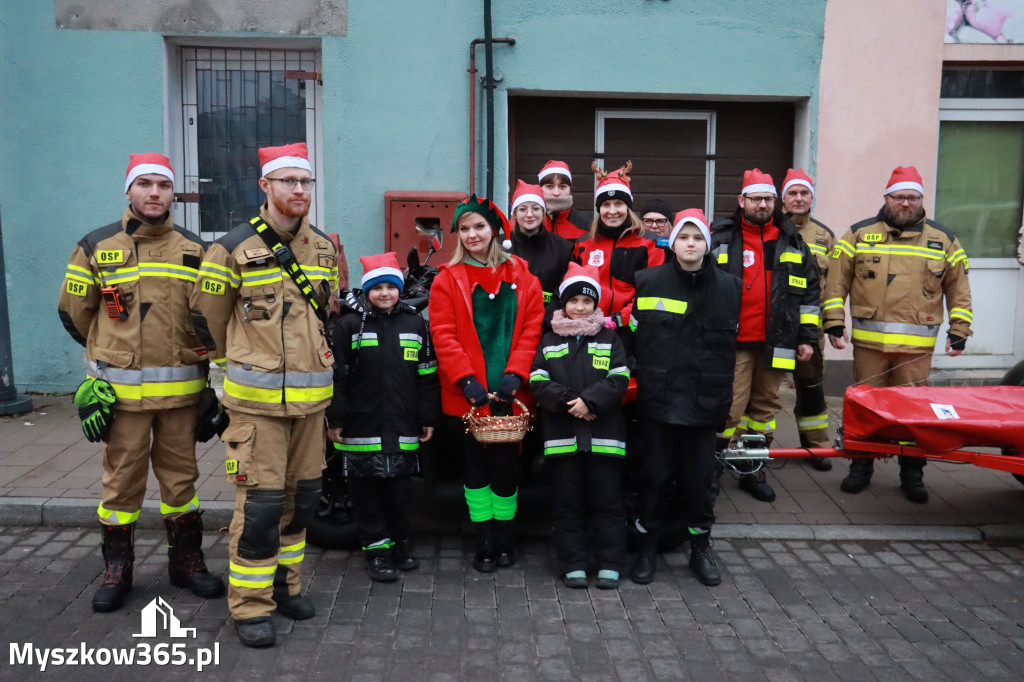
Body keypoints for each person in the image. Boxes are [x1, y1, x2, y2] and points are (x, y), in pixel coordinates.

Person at [58, 153, 224, 614]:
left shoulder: (196, 248)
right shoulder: (96, 246)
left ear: (173, 193)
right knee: (121, 488)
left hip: (181, 398)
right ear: (128, 191)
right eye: (145, 184)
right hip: (123, 399)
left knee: (182, 483)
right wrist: (107, 356)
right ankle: (118, 569)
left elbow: (211, 318)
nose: (155, 193)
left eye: (164, 186)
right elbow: (76, 314)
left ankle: (186, 563)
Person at [190, 142, 338, 648]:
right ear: (266, 187)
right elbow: (203, 325)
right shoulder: (230, 249)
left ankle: (285, 587)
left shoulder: (322, 249)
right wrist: (218, 382)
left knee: (302, 504)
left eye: (306, 182)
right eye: (288, 182)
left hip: (312, 407)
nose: (299, 191)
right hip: (257, 411)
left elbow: (324, 318)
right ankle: (250, 606)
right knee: (259, 508)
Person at [823, 165, 973, 503]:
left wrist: (959, 331)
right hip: (869, 347)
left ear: (921, 200)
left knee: (914, 415)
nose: (906, 203)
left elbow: (960, 291)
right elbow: (835, 284)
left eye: (913, 197)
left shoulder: (944, 240)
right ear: (887, 198)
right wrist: (833, 322)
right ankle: (861, 466)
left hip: (915, 351)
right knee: (864, 410)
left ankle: (912, 473)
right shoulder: (858, 234)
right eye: (899, 197)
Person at [427, 195, 544, 573]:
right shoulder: (447, 279)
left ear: (495, 229)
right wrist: (466, 380)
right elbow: (443, 334)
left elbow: (531, 330)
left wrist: (515, 375)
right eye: (464, 228)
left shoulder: (523, 276)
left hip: (511, 397)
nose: (472, 234)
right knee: (474, 469)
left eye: (479, 226)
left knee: (507, 469)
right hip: (469, 398)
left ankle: (504, 534)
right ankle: (483, 538)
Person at [629, 210, 741, 586]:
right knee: (654, 477)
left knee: (700, 481)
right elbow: (633, 338)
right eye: (683, 237)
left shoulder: (730, 287)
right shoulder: (647, 281)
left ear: (707, 244)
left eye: (697, 238)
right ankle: (647, 547)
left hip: (704, 400)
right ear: (671, 242)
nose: (690, 244)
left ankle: (700, 547)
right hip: (658, 401)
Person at [326, 253, 440, 582]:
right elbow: (338, 377)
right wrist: (336, 418)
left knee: (400, 494)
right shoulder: (350, 325)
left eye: (391, 287)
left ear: (400, 291)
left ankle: (399, 546)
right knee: (366, 495)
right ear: (367, 292)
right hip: (362, 427)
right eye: (378, 288)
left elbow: (427, 375)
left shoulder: (415, 323)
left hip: (403, 425)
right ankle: (377, 552)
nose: (385, 293)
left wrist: (427, 416)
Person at [710, 169, 820, 503]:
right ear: (741, 200)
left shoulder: (792, 241)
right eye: (756, 198)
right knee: (727, 406)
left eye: (768, 199)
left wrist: (807, 338)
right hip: (733, 340)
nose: (762, 204)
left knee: (765, 407)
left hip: (779, 341)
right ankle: (710, 469)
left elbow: (810, 295)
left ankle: (751, 468)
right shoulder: (720, 237)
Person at [529, 263, 630, 590]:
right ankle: (573, 563)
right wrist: (573, 403)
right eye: (573, 301)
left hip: (604, 440)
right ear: (563, 305)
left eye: (587, 302)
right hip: (563, 441)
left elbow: (620, 377)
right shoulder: (548, 340)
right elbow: (538, 380)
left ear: (596, 305)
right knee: (567, 504)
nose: (580, 307)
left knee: (608, 503)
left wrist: (592, 401)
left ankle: (610, 564)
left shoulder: (609, 339)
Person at [781, 169, 835, 471]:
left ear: (811, 197)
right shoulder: (771, 229)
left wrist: (833, 325)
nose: (799, 198)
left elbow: (832, 287)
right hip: (774, 326)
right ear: (783, 198)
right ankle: (753, 446)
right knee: (762, 392)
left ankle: (817, 446)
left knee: (811, 387)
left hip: (810, 327)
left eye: (804, 193)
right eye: (793, 193)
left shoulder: (825, 236)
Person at [573, 162, 665, 335]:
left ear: (628, 207)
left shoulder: (650, 244)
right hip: (591, 328)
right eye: (606, 204)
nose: (612, 210)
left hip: (633, 330)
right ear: (599, 208)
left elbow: (651, 292)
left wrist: (619, 320)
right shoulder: (583, 244)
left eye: (618, 204)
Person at [506, 179, 574, 328]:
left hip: (547, 327)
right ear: (515, 214)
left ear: (543, 212)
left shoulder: (563, 248)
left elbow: (563, 290)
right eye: (523, 209)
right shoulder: (500, 245)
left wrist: (542, 320)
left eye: (535, 209)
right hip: (507, 325)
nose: (529, 214)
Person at [538, 160, 591, 241]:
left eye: (562, 186)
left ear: (570, 189)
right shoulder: (531, 220)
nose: (556, 193)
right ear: (540, 188)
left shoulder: (583, 223)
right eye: (549, 186)